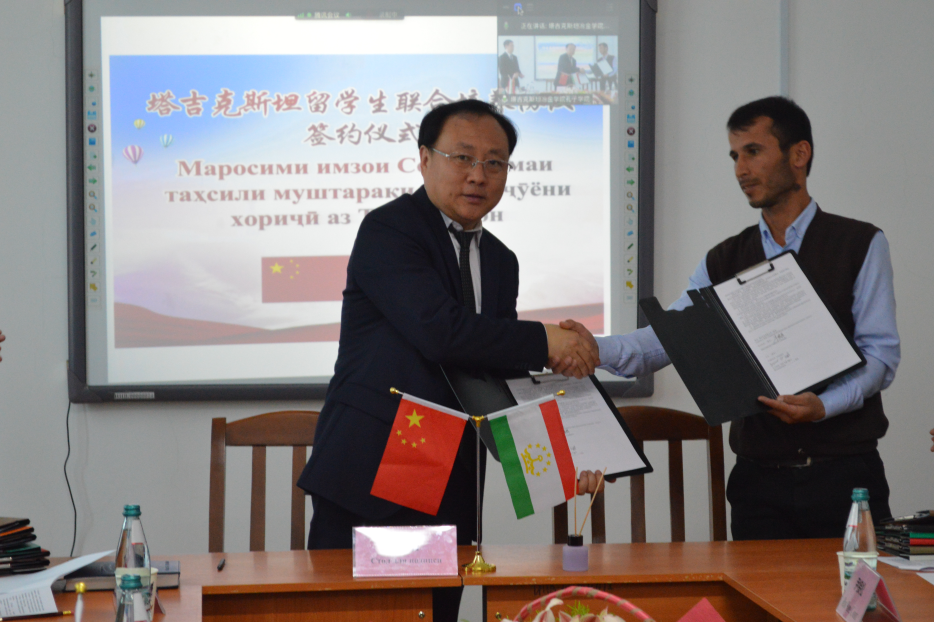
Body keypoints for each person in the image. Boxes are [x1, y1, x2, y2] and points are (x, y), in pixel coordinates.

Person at [297, 99, 598, 622]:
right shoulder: (390, 230)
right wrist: (546, 340)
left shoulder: (501, 260)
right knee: (359, 616)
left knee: (436, 615)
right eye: (462, 158)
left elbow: (496, 369)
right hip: (374, 472)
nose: (478, 175)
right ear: (424, 158)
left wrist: (569, 455)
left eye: (494, 162)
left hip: (451, 474)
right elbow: (441, 332)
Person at [566, 96, 900, 539]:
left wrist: (824, 406)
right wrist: (590, 347)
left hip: (846, 477)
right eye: (734, 156)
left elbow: (881, 356)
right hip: (759, 485)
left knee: (856, 588)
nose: (741, 169)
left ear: (799, 154)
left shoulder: (860, 243)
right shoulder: (723, 259)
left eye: (753, 152)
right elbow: (666, 339)